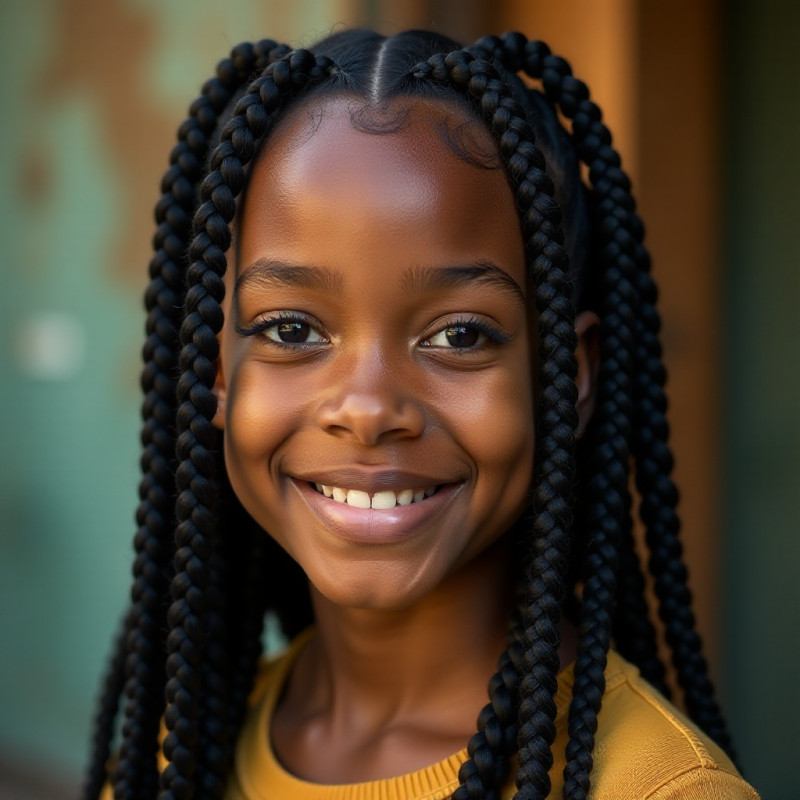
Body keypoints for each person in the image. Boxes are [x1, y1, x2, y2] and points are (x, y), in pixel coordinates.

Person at [84, 28, 759, 800]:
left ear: (566, 378)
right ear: (214, 374)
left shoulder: (662, 790)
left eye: (459, 336)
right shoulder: (177, 755)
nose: (369, 411)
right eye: (292, 330)